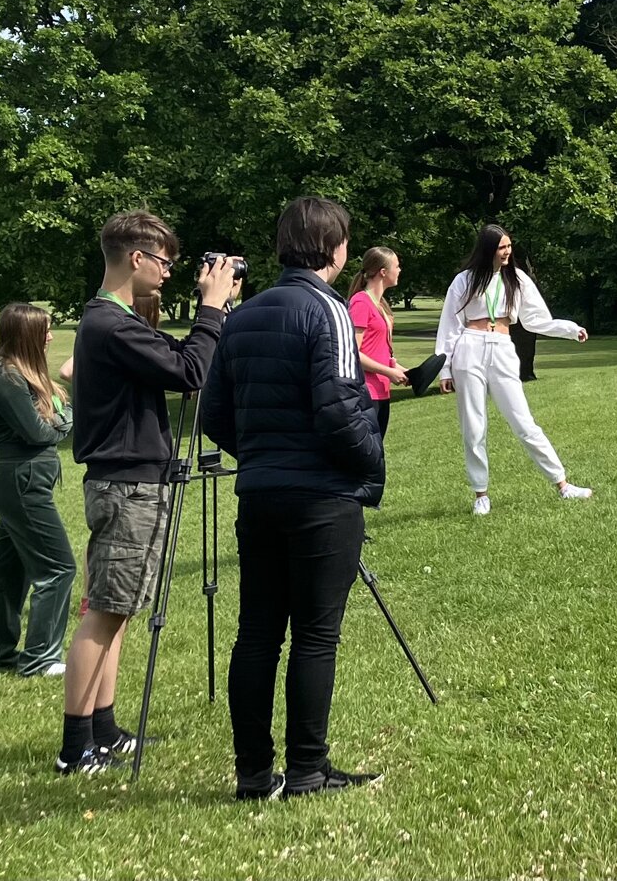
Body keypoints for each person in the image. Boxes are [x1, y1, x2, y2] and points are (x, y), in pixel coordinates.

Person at [201, 196, 386, 801]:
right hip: (320, 497)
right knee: (314, 634)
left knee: (255, 634)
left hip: (259, 494)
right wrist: (371, 459)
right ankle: (308, 769)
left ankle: (254, 773)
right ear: (335, 249)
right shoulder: (328, 310)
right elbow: (338, 411)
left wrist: (258, 453)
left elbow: (215, 415)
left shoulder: (241, 315)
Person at [56, 211, 239, 775]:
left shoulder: (117, 323)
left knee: (120, 610)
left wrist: (216, 314)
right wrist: (211, 308)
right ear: (136, 258)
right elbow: (189, 373)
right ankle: (74, 748)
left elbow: (180, 359)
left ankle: (104, 730)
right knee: (105, 612)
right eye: (163, 263)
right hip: (128, 485)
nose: (167, 274)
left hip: (134, 482)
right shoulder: (110, 324)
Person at [434, 224, 592, 514]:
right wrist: (445, 368)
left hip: (503, 348)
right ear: (488, 250)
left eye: (509, 247)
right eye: (501, 248)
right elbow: (450, 326)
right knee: (474, 425)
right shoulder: (464, 281)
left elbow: (537, 319)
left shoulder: (517, 279)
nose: (507, 252)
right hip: (470, 348)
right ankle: (481, 494)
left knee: (524, 422)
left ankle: (562, 483)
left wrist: (570, 329)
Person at [0, 303, 76, 678]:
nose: (50, 337)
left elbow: (46, 424)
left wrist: (58, 419)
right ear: (27, 335)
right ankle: (42, 657)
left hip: (22, 481)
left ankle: (0, 655)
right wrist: (66, 418)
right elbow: (38, 432)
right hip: (22, 482)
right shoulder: (5, 378)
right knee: (58, 567)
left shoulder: (18, 374)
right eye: (45, 331)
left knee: (7, 571)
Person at [346, 247, 409, 440]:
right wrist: (388, 372)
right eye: (397, 266)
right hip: (366, 393)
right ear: (383, 272)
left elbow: (377, 349)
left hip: (382, 392)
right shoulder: (361, 303)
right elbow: (354, 353)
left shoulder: (380, 304)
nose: (399, 270)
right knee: (367, 455)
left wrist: (396, 367)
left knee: (377, 452)